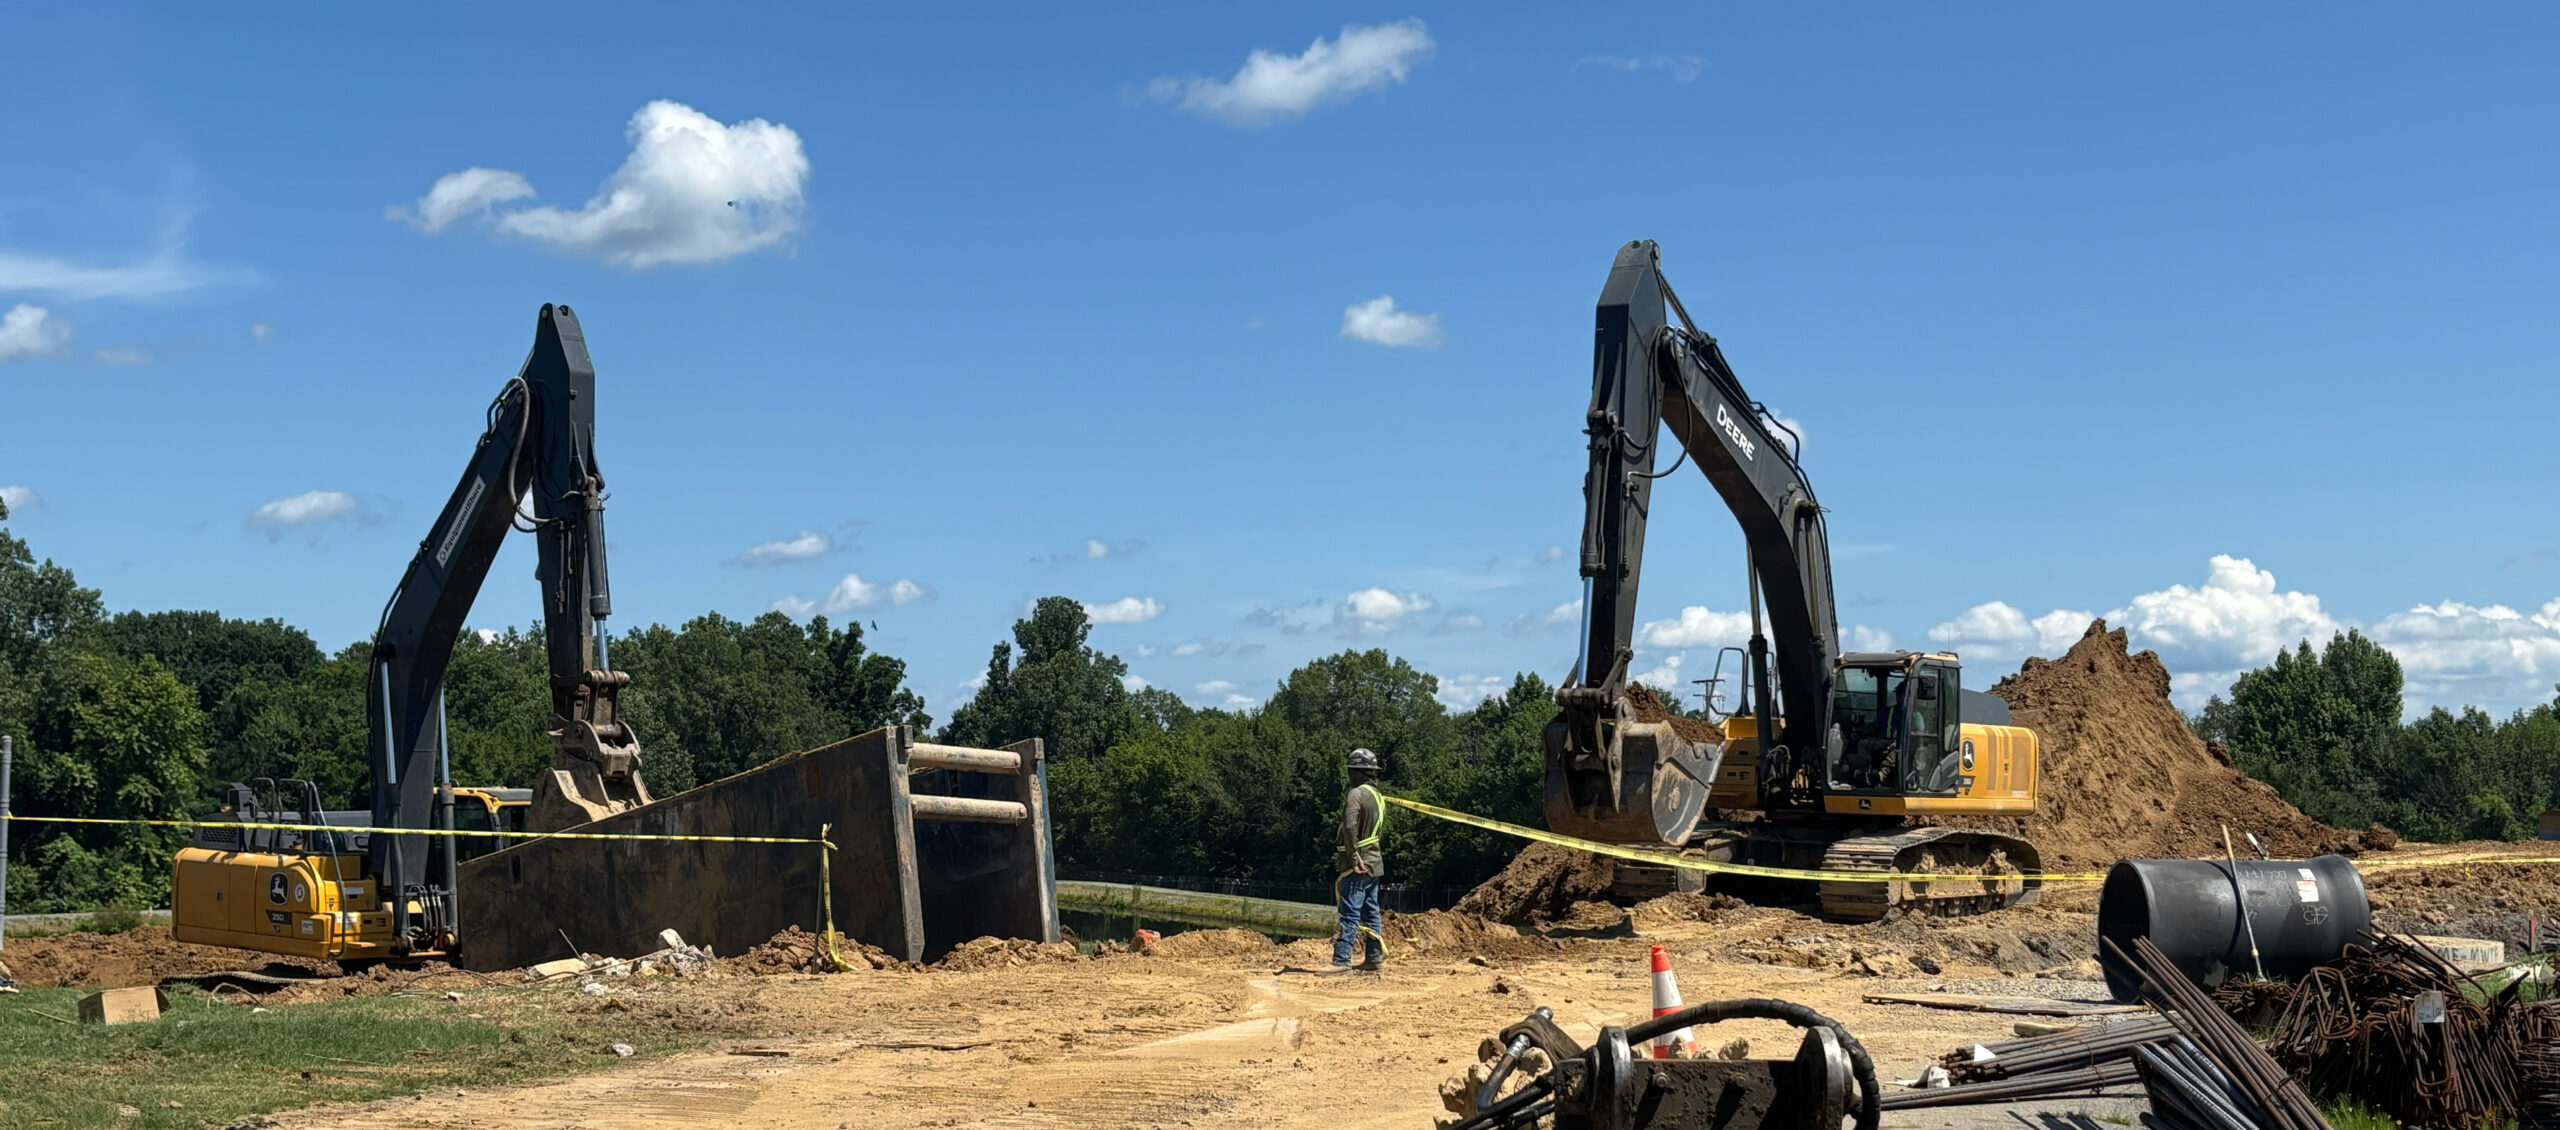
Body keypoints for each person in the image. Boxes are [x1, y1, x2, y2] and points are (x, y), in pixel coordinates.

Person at [1331, 747, 1388, 973]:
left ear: (1357, 772)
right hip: (1374, 861)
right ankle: (1374, 959)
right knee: (1370, 910)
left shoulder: (1356, 794)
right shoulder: (1377, 797)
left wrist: (1353, 856)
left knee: (1350, 911)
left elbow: (1350, 825)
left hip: (1358, 864)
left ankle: (1341, 961)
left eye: (1351, 771)